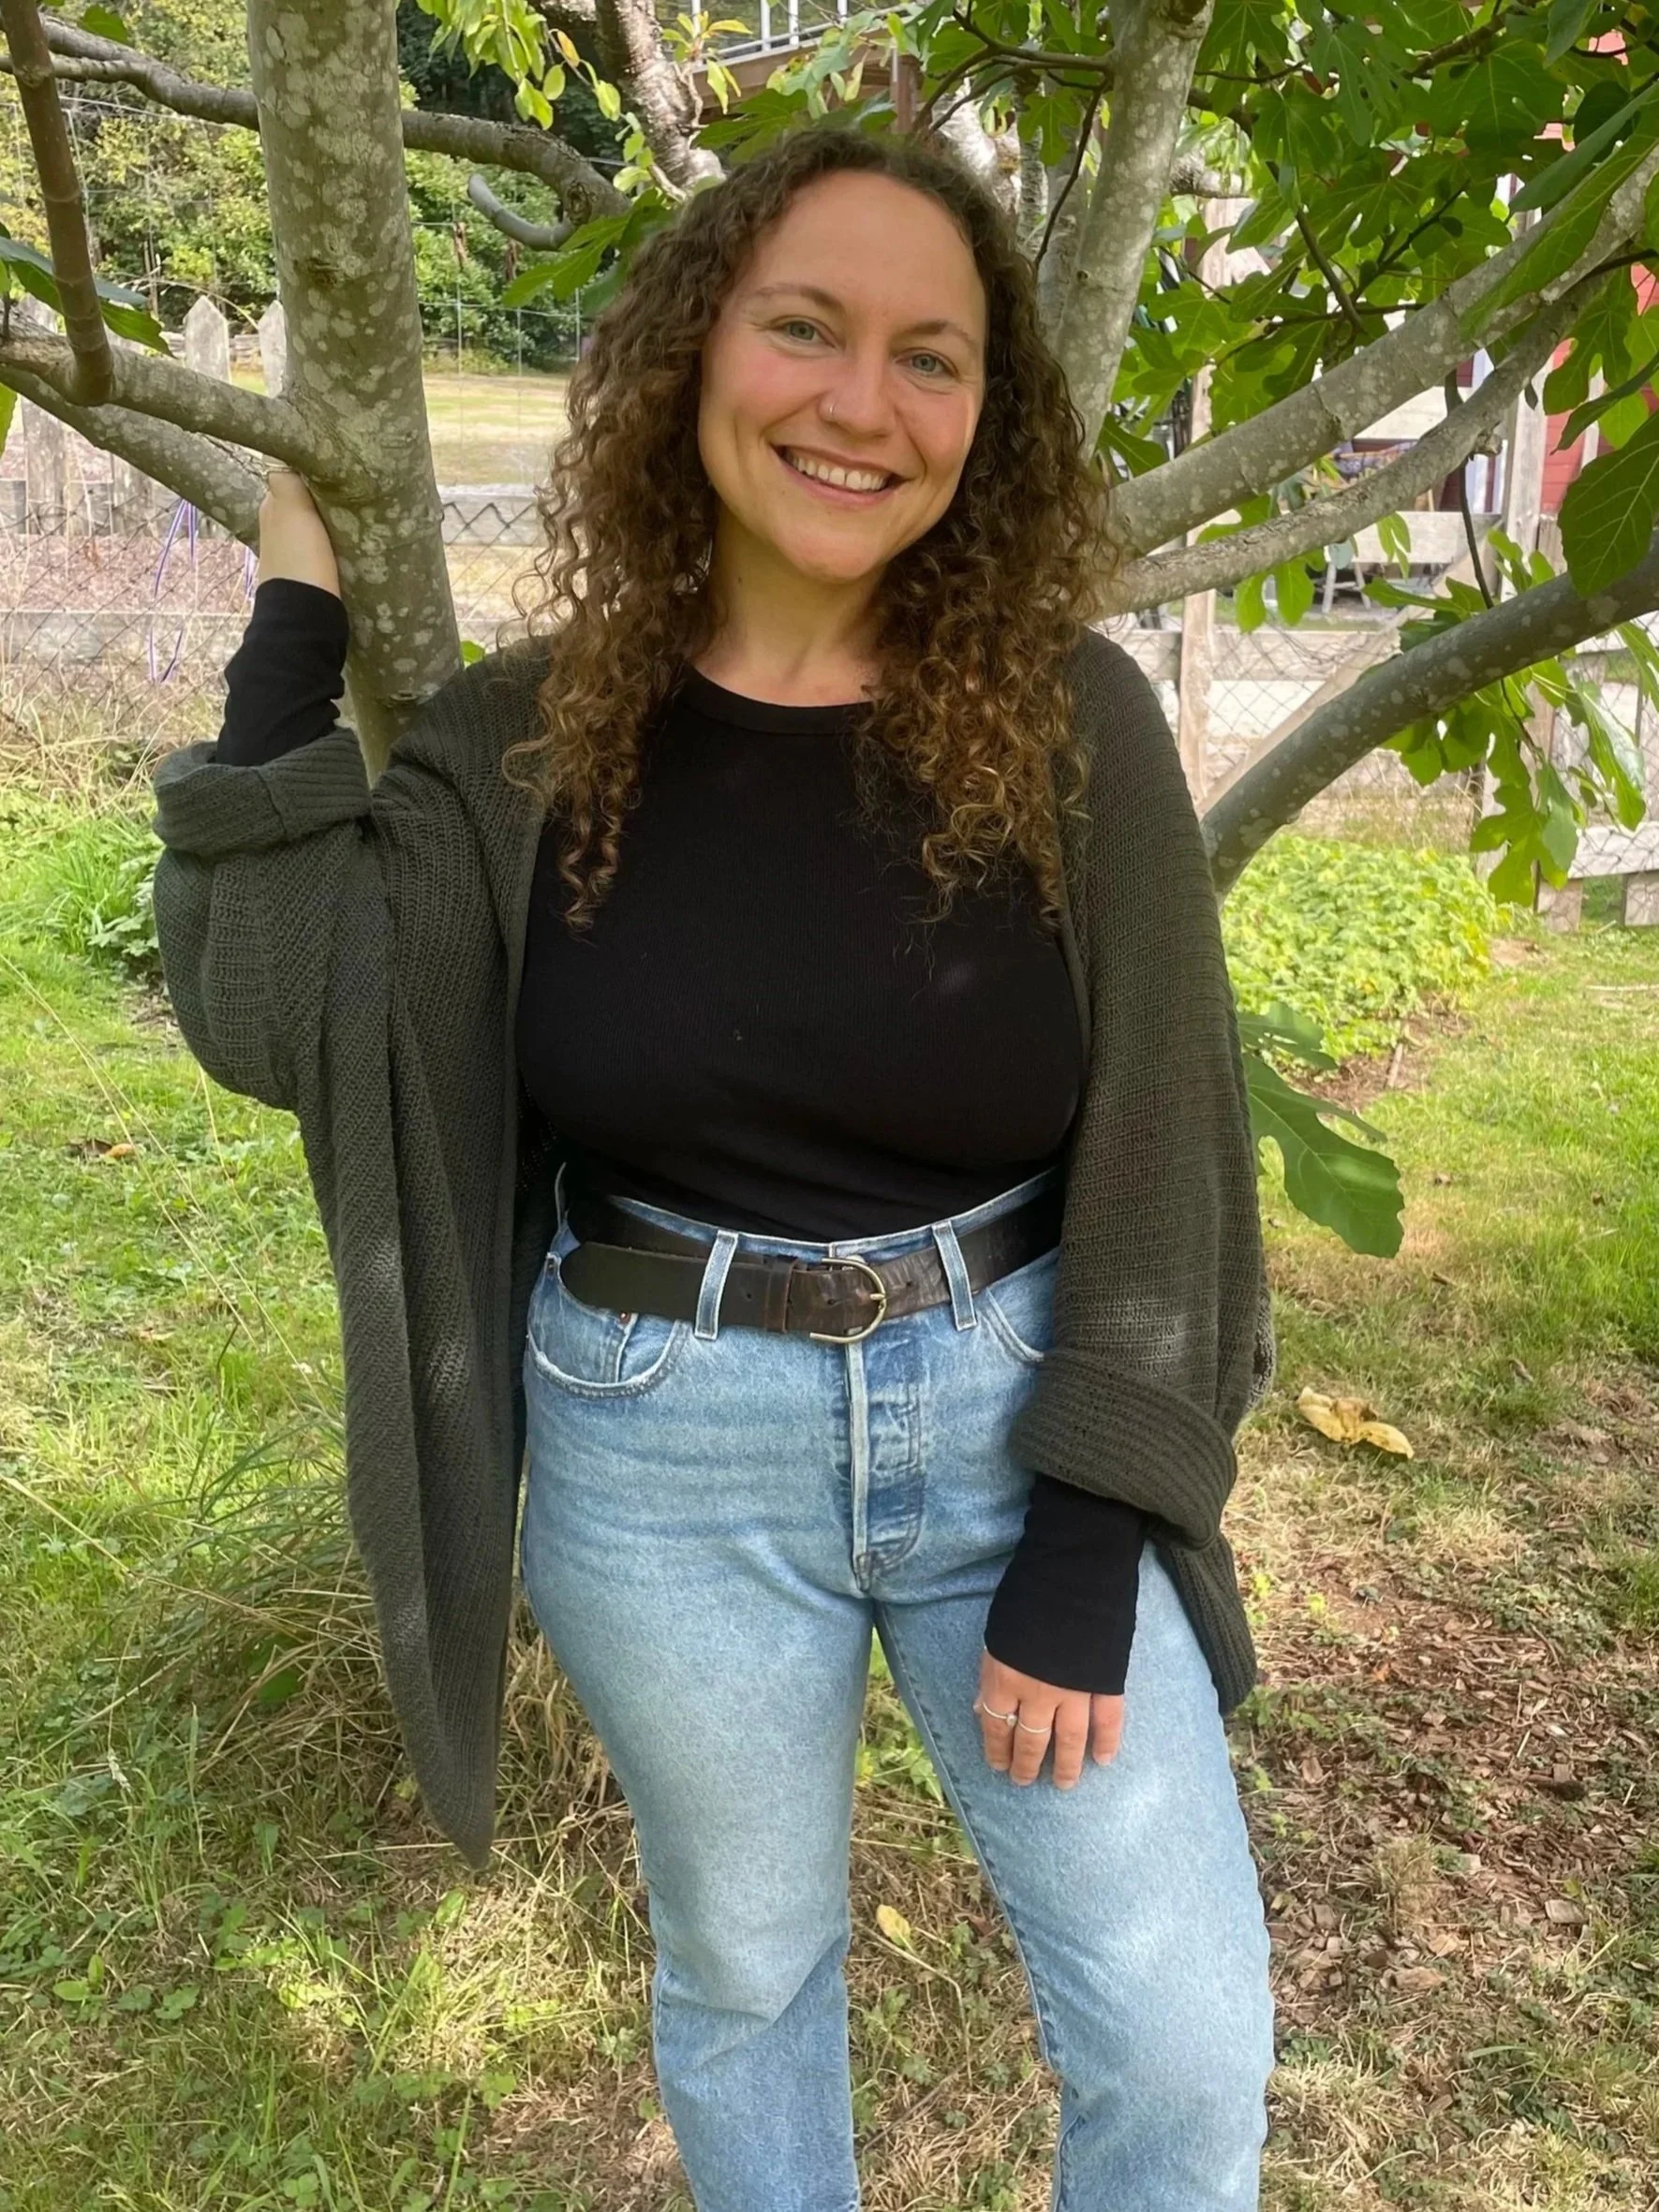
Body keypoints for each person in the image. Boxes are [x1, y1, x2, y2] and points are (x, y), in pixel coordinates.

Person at [151, 121, 1277, 2212]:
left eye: (931, 356)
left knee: (1181, 2036)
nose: (864, 402)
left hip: (1017, 1418)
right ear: (693, 355)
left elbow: (1171, 1149)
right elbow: (274, 1004)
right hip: (659, 1445)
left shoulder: (1069, 724)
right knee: (748, 1973)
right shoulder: (525, 744)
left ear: (987, 416)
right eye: (805, 328)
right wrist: (297, 607)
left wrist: (1089, 1529)